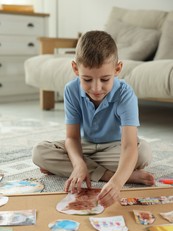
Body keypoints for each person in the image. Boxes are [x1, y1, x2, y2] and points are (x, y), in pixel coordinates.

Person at [32, 30, 154, 208]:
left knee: (143, 152)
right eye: (87, 79)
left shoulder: (125, 94)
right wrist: (79, 163)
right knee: (40, 152)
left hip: (114, 146)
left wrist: (117, 184)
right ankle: (107, 174)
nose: (96, 88)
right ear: (75, 69)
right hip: (85, 144)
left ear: (117, 69)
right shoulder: (71, 90)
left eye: (105, 79)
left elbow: (128, 145)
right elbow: (72, 138)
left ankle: (103, 172)